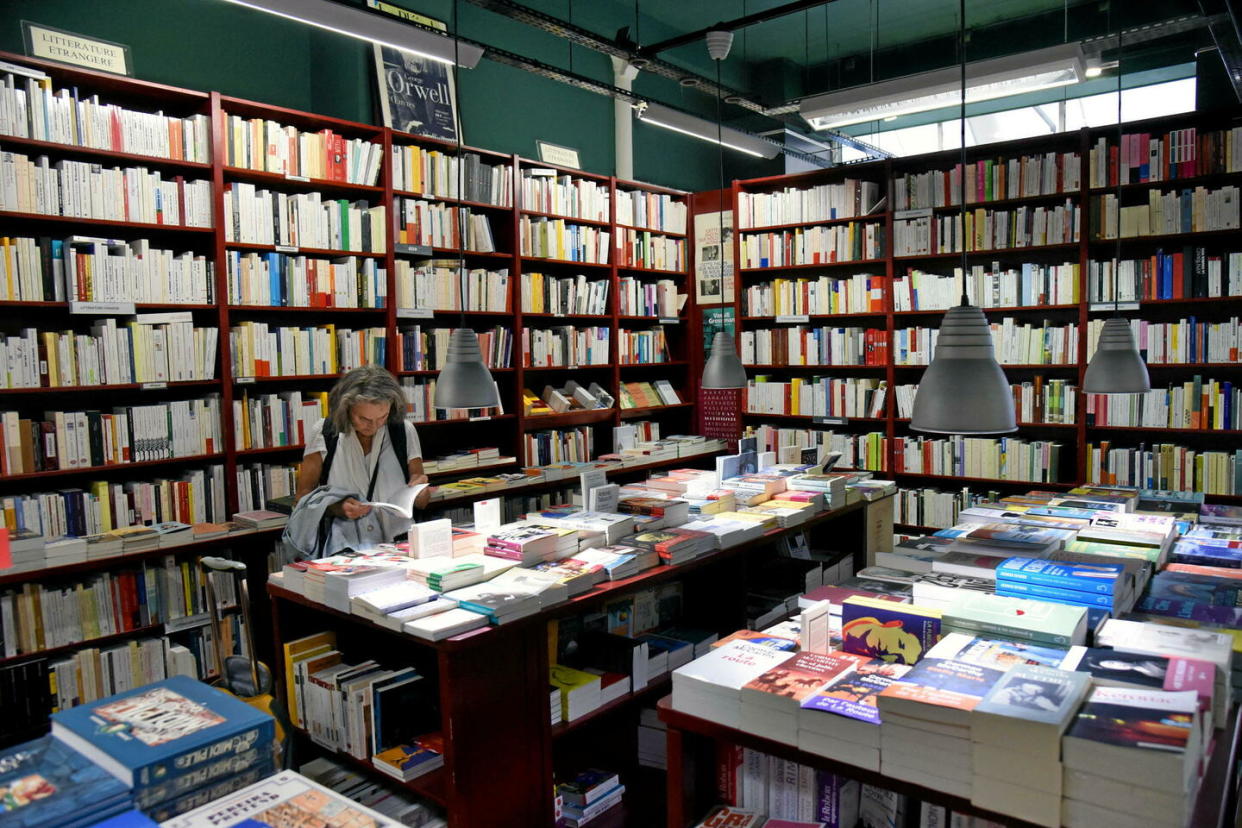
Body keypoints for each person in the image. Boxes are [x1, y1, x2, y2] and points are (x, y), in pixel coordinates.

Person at [294, 365, 432, 548]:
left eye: (382, 417)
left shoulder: (403, 431)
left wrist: (420, 490)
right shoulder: (325, 433)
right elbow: (302, 499)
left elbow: (422, 502)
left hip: (399, 545)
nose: (373, 426)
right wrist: (337, 507)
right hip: (345, 549)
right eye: (364, 419)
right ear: (346, 409)